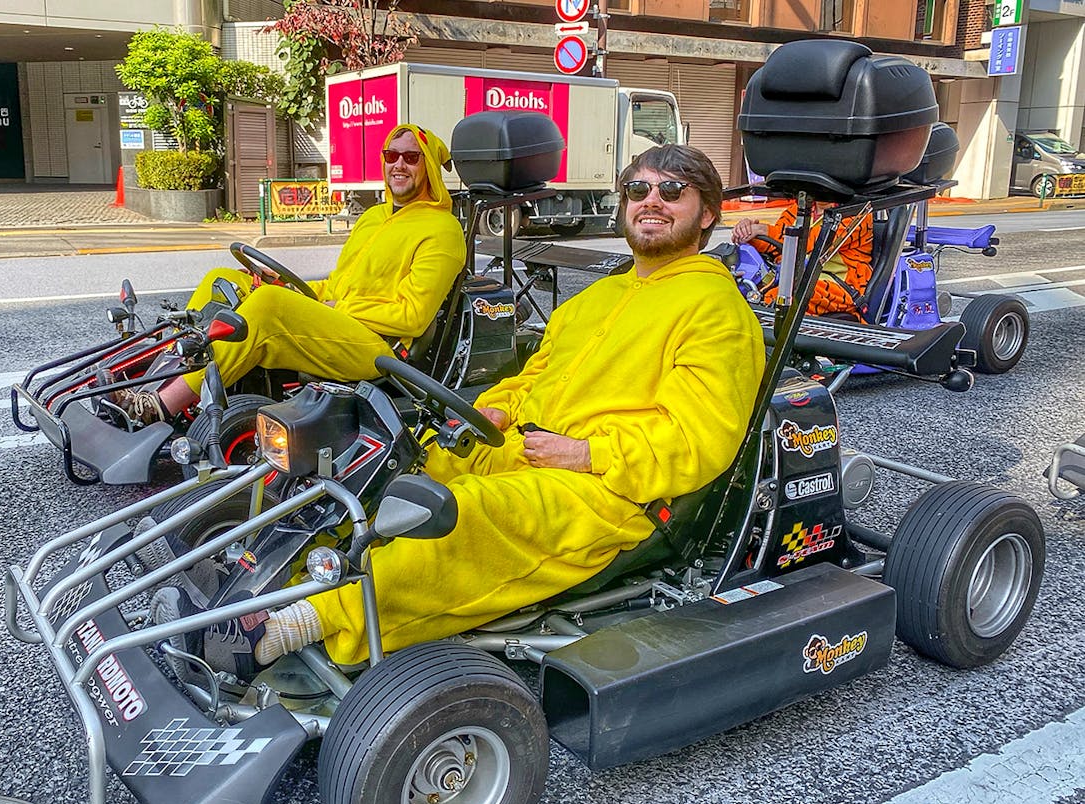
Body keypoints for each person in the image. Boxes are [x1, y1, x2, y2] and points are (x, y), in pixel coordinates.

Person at [155, 144, 766, 676]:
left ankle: (293, 626)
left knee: (455, 517)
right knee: (388, 476)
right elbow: (532, 376)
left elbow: (700, 440)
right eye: (638, 189)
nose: (651, 201)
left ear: (707, 213)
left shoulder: (715, 309)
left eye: (672, 192)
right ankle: (266, 583)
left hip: (606, 489)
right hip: (520, 448)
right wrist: (494, 409)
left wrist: (586, 453)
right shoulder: (600, 295)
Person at [121, 123, 466, 423]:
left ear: (430, 167)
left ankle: (160, 406)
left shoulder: (441, 229)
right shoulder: (375, 217)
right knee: (224, 280)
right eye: (392, 156)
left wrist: (335, 308)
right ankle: (156, 378)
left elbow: (412, 316)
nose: (399, 165)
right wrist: (293, 288)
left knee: (270, 306)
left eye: (411, 157)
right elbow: (338, 282)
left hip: (381, 346)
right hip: (340, 323)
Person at [731, 199, 873, 319]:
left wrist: (763, 230)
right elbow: (776, 246)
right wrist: (748, 232)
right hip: (792, 277)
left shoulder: (857, 213)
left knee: (780, 298)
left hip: (840, 286)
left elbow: (813, 242)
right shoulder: (796, 210)